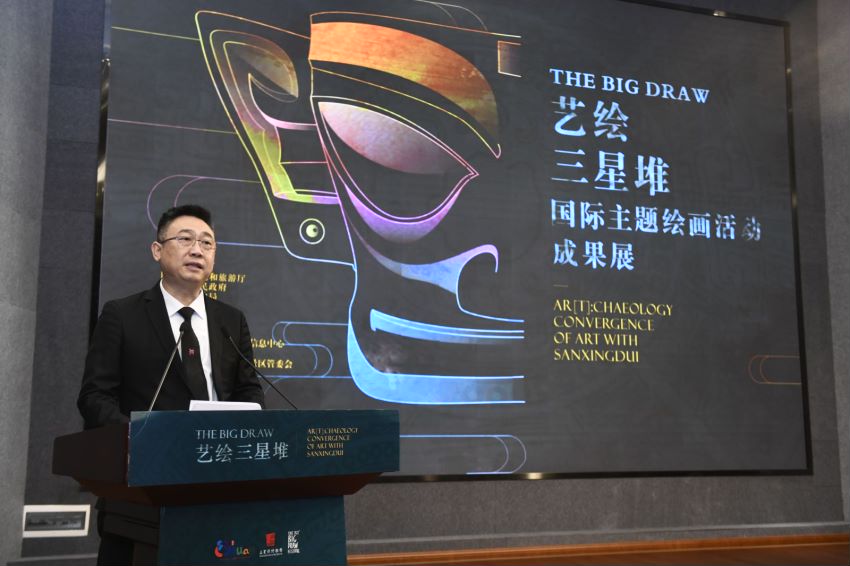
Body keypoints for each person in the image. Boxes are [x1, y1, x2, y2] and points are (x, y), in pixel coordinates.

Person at [78, 204, 265, 564]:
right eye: (185, 239)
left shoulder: (231, 320)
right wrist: (140, 441)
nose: (197, 250)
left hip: (218, 487)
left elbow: (249, 390)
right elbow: (95, 396)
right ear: (157, 250)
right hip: (141, 494)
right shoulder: (123, 315)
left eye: (207, 243)